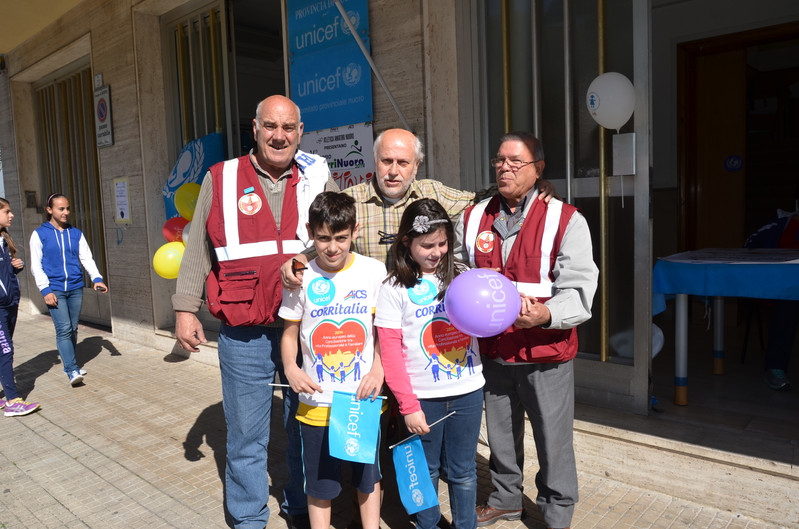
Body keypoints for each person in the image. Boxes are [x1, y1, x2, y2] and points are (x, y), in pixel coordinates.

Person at [172, 95, 338, 529]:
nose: (279, 136)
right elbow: (198, 250)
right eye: (270, 126)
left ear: (300, 132)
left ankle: (301, 505)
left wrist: (302, 263)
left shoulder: (319, 176)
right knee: (246, 434)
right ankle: (248, 517)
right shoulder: (221, 177)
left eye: (288, 128)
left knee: (306, 428)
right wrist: (185, 309)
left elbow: (337, 240)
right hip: (243, 330)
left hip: (304, 327)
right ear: (255, 127)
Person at [455, 132, 598, 529]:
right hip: (494, 349)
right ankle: (505, 498)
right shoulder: (473, 216)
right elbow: (456, 268)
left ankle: (556, 511)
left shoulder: (566, 219)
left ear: (538, 169)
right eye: (499, 160)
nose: (504, 167)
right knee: (500, 433)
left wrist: (546, 315)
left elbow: (581, 287)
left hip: (544, 350)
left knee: (553, 438)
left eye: (515, 162)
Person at [278, 192, 385, 529]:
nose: (332, 248)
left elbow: (383, 332)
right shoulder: (299, 276)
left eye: (341, 238)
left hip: (361, 400)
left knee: (367, 478)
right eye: (323, 238)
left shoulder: (373, 271)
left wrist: (378, 368)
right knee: (320, 483)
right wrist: (291, 368)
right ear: (310, 232)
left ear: (354, 231)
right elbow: (289, 334)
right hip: (316, 402)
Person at [376, 198, 485, 529]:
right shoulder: (393, 288)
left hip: (468, 390)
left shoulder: (463, 276)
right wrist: (408, 406)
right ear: (407, 243)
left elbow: (484, 320)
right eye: (427, 245)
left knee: (463, 470)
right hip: (422, 399)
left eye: (442, 243)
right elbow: (391, 353)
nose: (436, 252)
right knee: (425, 472)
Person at [30, 193, 108, 387]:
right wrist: (45, 290)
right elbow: (35, 265)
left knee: (72, 328)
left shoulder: (76, 233)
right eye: (61, 209)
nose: (66, 212)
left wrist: (96, 278)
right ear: (49, 210)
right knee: (63, 329)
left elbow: (86, 258)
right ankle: (72, 369)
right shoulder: (40, 234)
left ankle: (70, 365)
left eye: (67, 208)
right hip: (54, 289)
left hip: (75, 287)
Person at [744, 208, 799, 390]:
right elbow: (749, 245)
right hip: (781, 289)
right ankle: (775, 368)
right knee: (788, 302)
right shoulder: (779, 223)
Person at [0, 198, 40, 417]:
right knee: (6, 351)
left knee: (2, 350)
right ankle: (13, 401)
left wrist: (15, 267)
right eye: (7, 211)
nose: (11, 215)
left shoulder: (4, 240)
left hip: (10, 304)